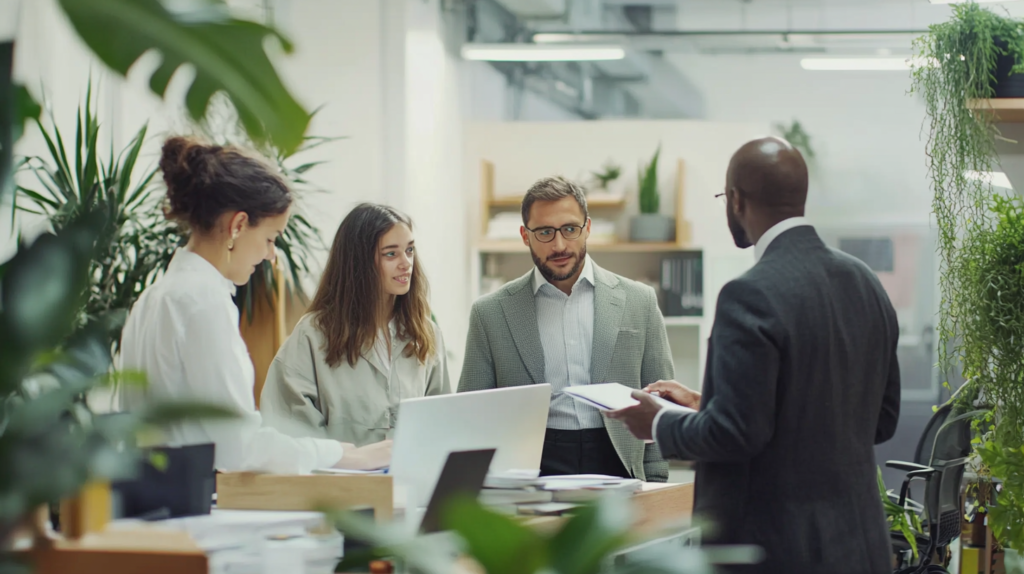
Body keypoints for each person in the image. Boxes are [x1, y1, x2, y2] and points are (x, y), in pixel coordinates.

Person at [607, 136, 901, 573]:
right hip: (859, 548)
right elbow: (879, 420)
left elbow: (735, 436)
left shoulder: (750, 294)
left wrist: (659, 421)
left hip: (775, 552)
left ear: (737, 200)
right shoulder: (865, 282)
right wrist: (708, 406)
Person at [119, 137, 391, 474]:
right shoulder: (204, 304)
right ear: (237, 226)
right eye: (270, 239)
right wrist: (341, 454)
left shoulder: (152, 298)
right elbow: (238, 448)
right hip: (193, 511)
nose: (270, 255)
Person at [459, 176, 672, 481]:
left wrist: (657, 478)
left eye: (570, 229)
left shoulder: (639, 301)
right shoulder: (491, 313)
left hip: (619, 459)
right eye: (545, 232)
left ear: (587, 228)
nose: (559, 245)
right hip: (531, 462)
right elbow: (471, 415)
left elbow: (659, 396)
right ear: (525, 236)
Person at [260, 203, 449, 446]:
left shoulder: (426, 333)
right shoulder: (313, 334)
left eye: (410, 250)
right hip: (339, 482)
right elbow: (287, 429)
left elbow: (441, 424)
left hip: (410, 480)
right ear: (359, 262)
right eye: (391, 253)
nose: (406, 263)